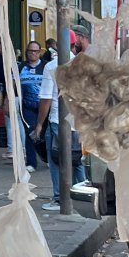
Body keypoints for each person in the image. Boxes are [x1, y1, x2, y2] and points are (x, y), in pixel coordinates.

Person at [32, 27, 89, 212]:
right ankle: (84, 196)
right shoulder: (83, 65)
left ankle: (59, 198)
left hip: (58, 120)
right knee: (77, 160)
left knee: (56, 160)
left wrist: (40, 124)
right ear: (74, 44)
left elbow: (46, 98)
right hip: (79, 121)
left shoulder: (51, 66)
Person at [17, 41, 45, 172]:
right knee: (31, 133)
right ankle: (31, 162)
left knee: (45, 134)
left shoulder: (46, 67)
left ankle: (47, 157)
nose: (33, 54)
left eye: (35, 51)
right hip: (27, 106)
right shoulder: (21, 67)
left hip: (44, 106)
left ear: (39, 52)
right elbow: (12, 85)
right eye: (30, 51)